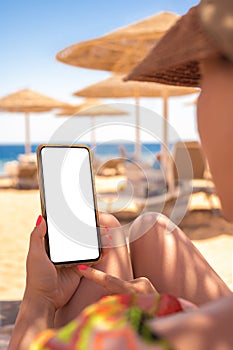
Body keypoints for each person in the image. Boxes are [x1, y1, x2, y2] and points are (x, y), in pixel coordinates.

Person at [8, 0, 233, 349]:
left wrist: (39, 299)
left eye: (205, 78)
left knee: (109, 233)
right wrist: (171, 311)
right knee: (142, 228)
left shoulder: (114, 340)